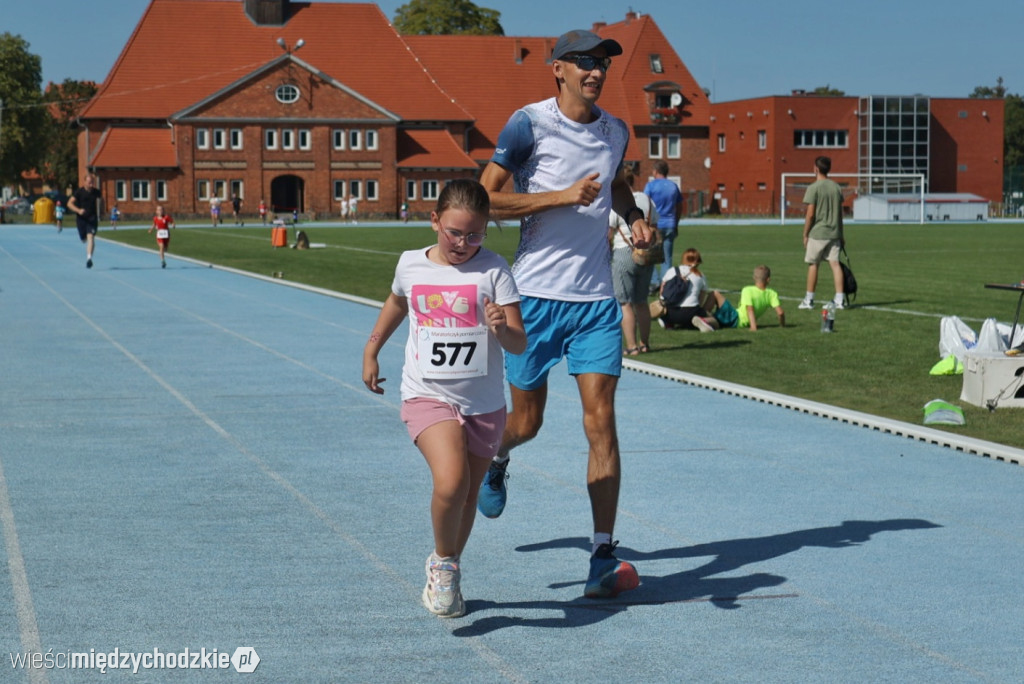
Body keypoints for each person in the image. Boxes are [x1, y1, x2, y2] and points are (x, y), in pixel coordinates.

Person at [477, 28, 652, 599]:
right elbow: (484, 199)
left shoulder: (615, 131)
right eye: (582, 61)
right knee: (527, 423)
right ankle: (499, 455)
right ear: (557, 69)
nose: (594, 70)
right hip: (534, 299)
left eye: (601, 61)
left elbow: (616, 188)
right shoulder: (527, 124)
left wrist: (632, 218)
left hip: (596, 303)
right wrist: (559, 196)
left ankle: (602, 552)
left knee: (601, 420)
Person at [362, 179, 526, 618]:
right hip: (427, 393)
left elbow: (518, 344)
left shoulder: (494, 270)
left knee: (468, 493)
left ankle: (449, 564)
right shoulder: (411, 265)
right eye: (454, 232)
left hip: (484, 403)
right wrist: (372, 347)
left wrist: (500, 328)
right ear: (434, 220)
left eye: (475, 235)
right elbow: (397, 303)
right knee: (451, 481)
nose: (463, 243)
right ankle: (441, 562)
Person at [610, 170, 657, 355]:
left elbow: (609, 230)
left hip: (624, 251)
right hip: (646, 254)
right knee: (642, 301)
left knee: (624, 303)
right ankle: (645, 343)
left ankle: (631, 346)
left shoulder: (617, 199)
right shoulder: (646, 199)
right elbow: (655, 225)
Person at [799, 155, 846, 310]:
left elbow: (810, 214)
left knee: (813, 264)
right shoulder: (836, 187)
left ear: (816, 169)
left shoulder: (813, 188)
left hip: (818, 232)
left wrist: (805, 234)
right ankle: (839, 300)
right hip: (834, 232)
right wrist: (841, 234)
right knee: (835, 264)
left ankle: (809, 300)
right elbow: (840, 213)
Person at [655, 247, 722, 331]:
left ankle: (668, 321)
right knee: (715, 322)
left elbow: (662, 292)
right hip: (691, 312)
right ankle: (703, 321)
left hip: (670, 311)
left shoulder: (672, 271)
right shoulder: (701, 275)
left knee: (673, 315)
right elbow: (700, 300)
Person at [644, 160, 683, 293]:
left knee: (651, 256)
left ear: (655, 171)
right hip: (670, 223)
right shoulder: (673, 186)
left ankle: (654, 281)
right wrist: (676, 223)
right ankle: (665, 284)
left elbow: (646, 205)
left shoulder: (650, 186)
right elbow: (679, 206)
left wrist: (646, 224)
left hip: (656, 225)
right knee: (667, 257)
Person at [67, 172, 103, 269]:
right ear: (84, 182)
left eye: (92, 183)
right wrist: (78, 210)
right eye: (89, 182)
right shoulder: (79, 192)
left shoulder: (96, 192)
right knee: (84, 239)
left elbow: (102, 200)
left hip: (92, 218)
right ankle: (84, 239)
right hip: (81, 219)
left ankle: (89, 258)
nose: (91, 185)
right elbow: (69, 204)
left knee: (91, 237)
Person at [735, 265, 786, 331]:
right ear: (768, 279)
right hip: (742, 322)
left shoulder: (747, 290)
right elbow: (780, 313)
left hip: (735, 317)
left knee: (717, 294)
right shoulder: (772, 294)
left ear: (754, 278)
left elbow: (750, 309)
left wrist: (753, 327)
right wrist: (783, 325)